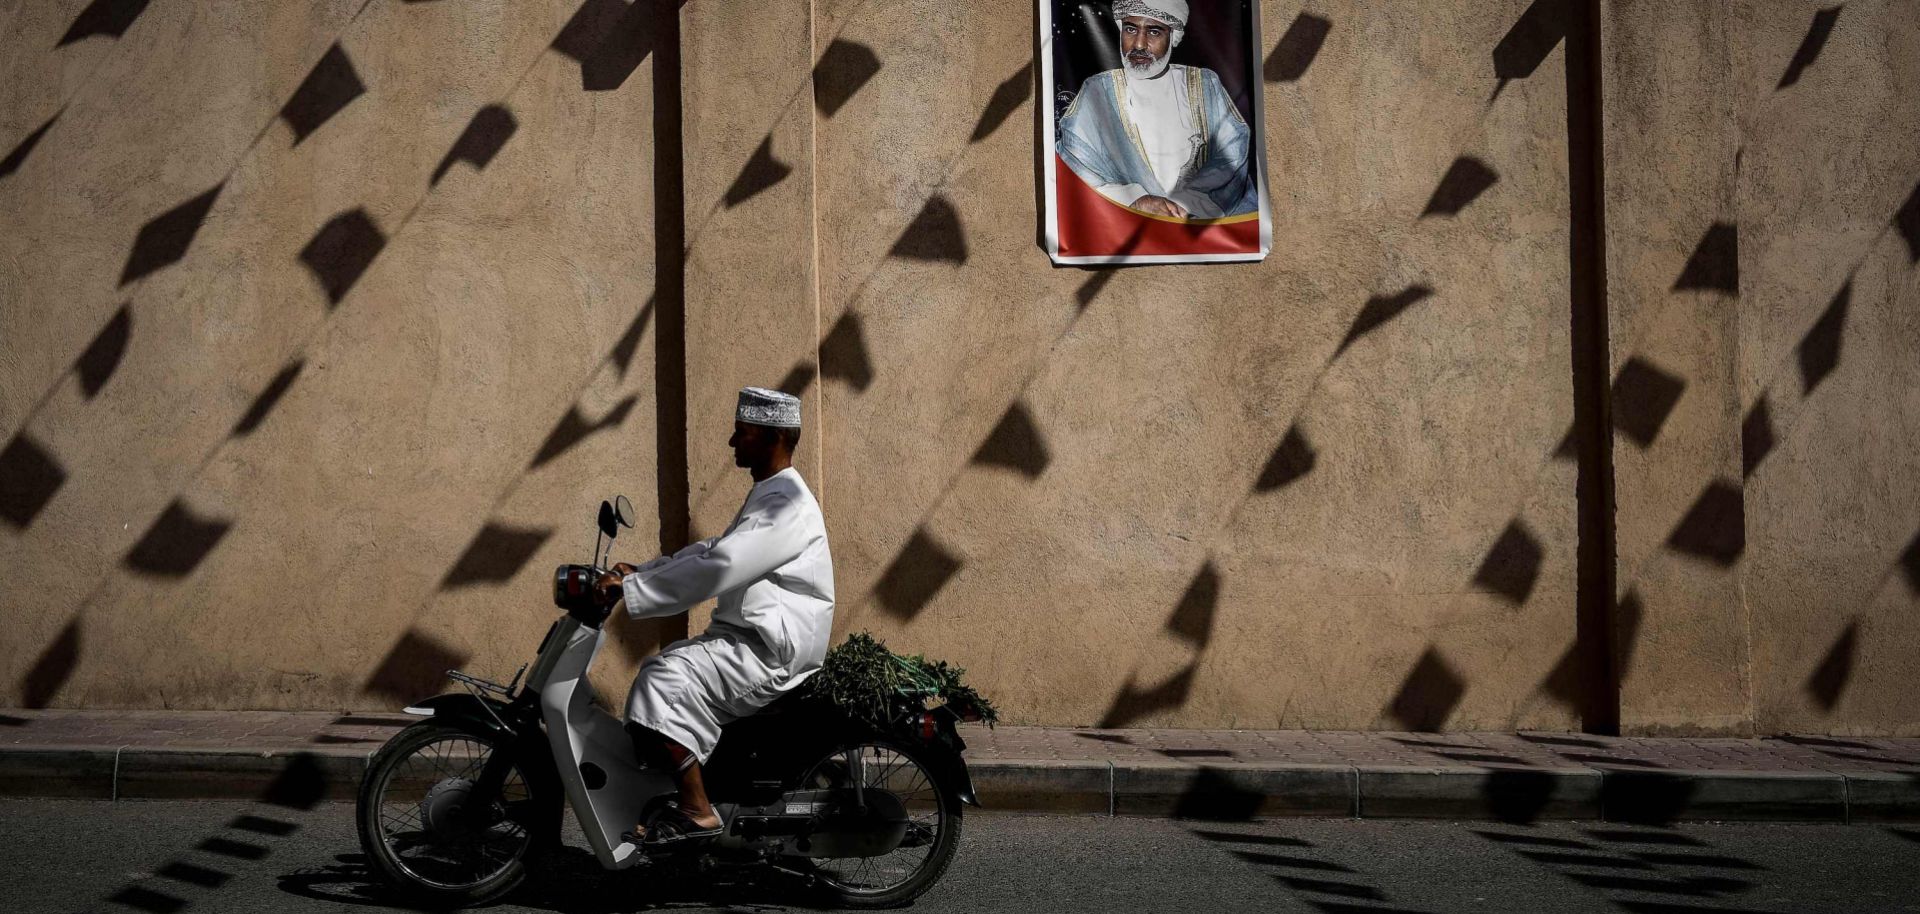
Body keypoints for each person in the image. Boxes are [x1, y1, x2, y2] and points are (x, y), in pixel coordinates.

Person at [595, 387, 835, 848]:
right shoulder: (771, 494)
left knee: (662, 681)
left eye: (741, 434)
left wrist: (633, 588)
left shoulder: (787, 506)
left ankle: (696, 809)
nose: (731, 443)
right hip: (749, 639)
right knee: (663, 668)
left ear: (774, 437)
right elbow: (713, 551)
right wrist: (642, 571)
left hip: (768, 651)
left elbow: (721, 567)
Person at [1057, 0, 1257, 219]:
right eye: (1131, 29)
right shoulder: (1097, 90)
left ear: (1173, 37)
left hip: (1200, 224)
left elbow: (1231, 152)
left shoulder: (1204, 84)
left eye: (1154, 31)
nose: (1139, 44)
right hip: (1124, 226)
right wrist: (1134, 200)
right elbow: (1075, 160)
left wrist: (1184, 206)